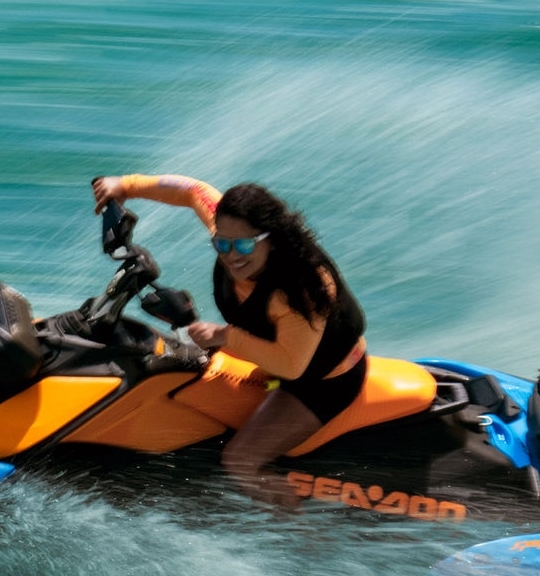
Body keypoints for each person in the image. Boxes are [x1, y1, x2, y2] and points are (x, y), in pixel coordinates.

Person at [91, 174, 367, 500]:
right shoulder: (234, 234)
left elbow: (292, 366)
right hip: (268, 356)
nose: (232, 255)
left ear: (272, 238)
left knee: (240, 460)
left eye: (244, 245)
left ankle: (301, 533)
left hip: (322, 381)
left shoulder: (303, 287)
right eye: (221, 243)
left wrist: (225, 336)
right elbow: (194, 192)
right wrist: (126, 186)